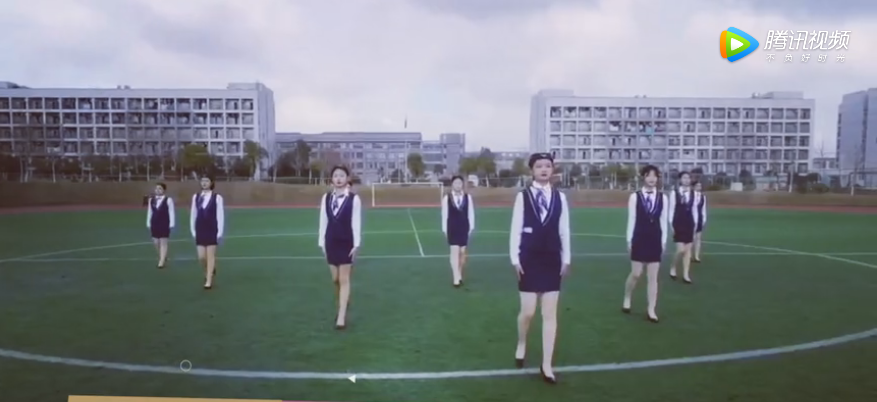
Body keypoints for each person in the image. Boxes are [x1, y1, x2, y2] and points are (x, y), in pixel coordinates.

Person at [509, 152, 571, 385]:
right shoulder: (523, 197)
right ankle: (522, 342)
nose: (544, 169)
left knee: (550, 314)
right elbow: (515, 229)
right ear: (532, 171)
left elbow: (564, 229)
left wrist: (567, 258)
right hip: (529, 258)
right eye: (539, 166)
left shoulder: (560, 197)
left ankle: (546, 364)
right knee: (528, 312)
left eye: (547, 166)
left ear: (552, 170)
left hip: (552, 259)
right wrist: (515, 259)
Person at [622, 165, 670, 323]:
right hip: (639, 238)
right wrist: (629, 239)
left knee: (653, 277)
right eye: (649, 175)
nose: (652, 179)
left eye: (654, 176)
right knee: (636, 273)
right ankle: (627, 297)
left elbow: (663, 221)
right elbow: (632, 219)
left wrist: (663, 241)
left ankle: (651, 309)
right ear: (643, 177)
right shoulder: (635, 197)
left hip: (655, 239)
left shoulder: (663, 198)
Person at [318, 165, 362, 330]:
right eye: (336, 175)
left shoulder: (354, 199)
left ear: (347, 179)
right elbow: (323, 221)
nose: (338, 178)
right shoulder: (326, 198)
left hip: (346, 243)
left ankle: (341, 316)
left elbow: (356, 222)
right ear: (331, 179)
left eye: (342, 175)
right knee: (335, 279)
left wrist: (356, 244)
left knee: (344, 279)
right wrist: (321, 243)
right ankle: (343, 301)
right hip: (330, 242)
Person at [189, 175, 225, 290]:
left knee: (210, 256)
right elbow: (193, 214)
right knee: (201, 257)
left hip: (212, 229)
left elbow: (220, 215)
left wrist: (219, 232)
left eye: (207, 181)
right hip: (200, 229)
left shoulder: (217, 197)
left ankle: (209, 280)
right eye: (202, 181)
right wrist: (193, 230)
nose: (204, 183)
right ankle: (208, 271)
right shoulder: (196, 197)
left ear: (211, 183)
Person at [441, 175, 475, 287]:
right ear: (452, 185)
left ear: (462, 185)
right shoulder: (447, 198)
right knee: (454, 251)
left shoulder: (468, 197)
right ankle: (456, 278)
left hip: (464, 228)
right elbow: (444, 215)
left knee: (462, 253)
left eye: (460, 183)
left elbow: (471, 213)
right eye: (456, 183)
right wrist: (445, 230)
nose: (458, 185)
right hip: (452, 228)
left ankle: (459, 273)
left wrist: (471, 228)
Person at [669, 171, 696, 284]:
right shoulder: (674, 193)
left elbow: (694, 210)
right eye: (684, 178)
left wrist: (695, 225)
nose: (686, 180)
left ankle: (686, 274)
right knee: (680, 250)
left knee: (688, 250)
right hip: (678, 223)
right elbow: (671, 210)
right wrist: (671, 225)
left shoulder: (693, 193)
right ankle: (673, 267)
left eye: (688, 178)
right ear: (680, 179)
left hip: (689, 223)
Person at [147, 182, 176, 269]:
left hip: (164, 223)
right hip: (154, 223)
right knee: (156, 242)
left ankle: (161, 261)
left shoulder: (168, 200)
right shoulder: (151, 200)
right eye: (156, 188)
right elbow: (150, 212)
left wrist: (172, 224)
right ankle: (162, 256)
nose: (158, 190)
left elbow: (171, 212)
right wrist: (148, 222)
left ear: (164, 190)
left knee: (163, 242)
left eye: (160, 188)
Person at [693, 181, 707, 263]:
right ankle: (688, 255)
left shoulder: (703, 197)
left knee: (698, 238)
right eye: (697, 185)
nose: (699, 187)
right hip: (691, 219)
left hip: (699, 219)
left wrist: (704, 219)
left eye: (700, 186)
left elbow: (703, 209)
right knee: (691, 238)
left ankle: (696, 256)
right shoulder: (690, 195)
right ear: (694, 187)